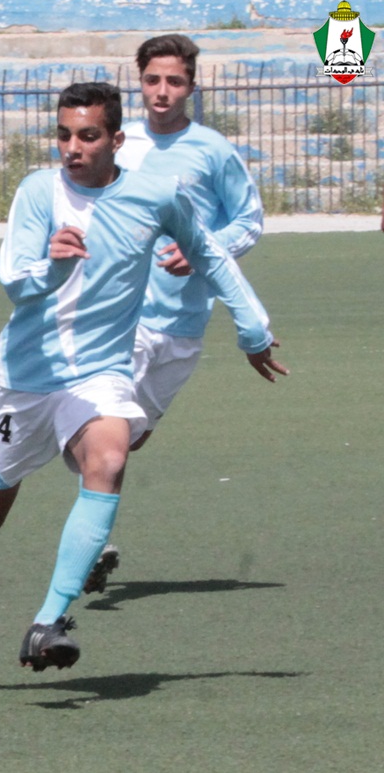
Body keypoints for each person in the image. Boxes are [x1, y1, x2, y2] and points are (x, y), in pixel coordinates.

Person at [0, 82, 287, 672]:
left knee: (110, 458)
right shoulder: (39, 192)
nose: (72, 147)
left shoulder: (154, 195)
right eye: (64, 135)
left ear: (116, 140)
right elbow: (15, 280)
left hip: (100, 373)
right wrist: (52, 267)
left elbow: (209, 253)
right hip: (24, 377)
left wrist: (252, 327)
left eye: (87, 136)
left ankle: (49, 622)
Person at [82, 34, 266, 594]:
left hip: (184, 326)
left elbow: (249, 220)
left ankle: (91, 529)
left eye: (175, 81)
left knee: (130, 440)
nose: (162, 91)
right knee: (108, 436)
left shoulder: (212, 150)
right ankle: (91, 543)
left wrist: (203, 247)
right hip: (123, 317)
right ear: (139, 82)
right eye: (152, 80)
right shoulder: (120, 144)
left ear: (191, 86)